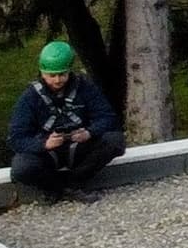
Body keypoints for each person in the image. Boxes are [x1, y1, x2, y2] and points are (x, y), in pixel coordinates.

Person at [8, 41, 124, 198]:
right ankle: (61, 188)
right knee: (22, 168)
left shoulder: (85, 87)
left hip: (80, 146)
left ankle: (73, 183)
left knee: (115, 141)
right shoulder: (30, 97)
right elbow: (16, 138)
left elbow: (108, 118)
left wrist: (89, 133)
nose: (57, 80)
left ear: (69, 71)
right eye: (51, 75)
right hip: (48, 152)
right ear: (42, 73)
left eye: (62, 74)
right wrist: (44, 144)